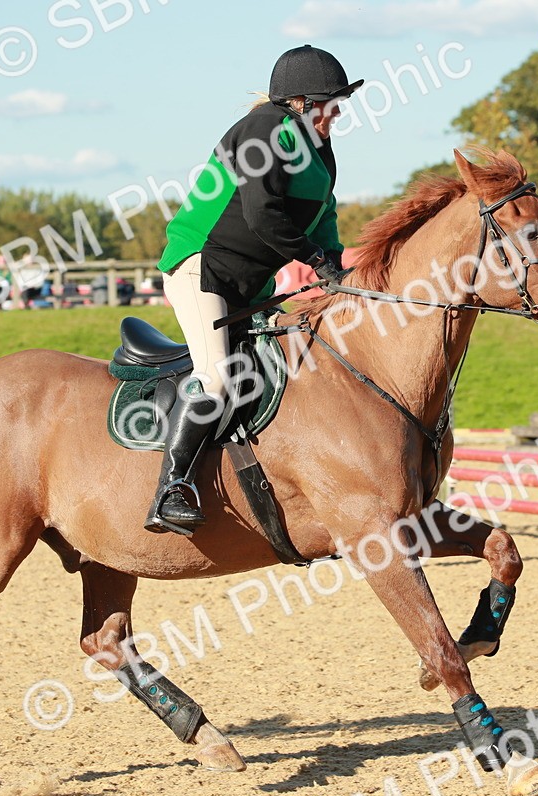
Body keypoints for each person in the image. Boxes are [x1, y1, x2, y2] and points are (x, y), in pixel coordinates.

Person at [144, 44, 361, 536]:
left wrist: (341, 272)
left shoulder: (321, 153)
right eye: (331, 104)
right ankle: (170, 489)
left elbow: (324, 220)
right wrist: (314, 259)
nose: (338, 114)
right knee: (218, 380)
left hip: (249, 282)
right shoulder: (265, 129)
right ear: (301, 103)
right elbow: (262, 214)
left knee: (269, 372)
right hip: (202, 266)